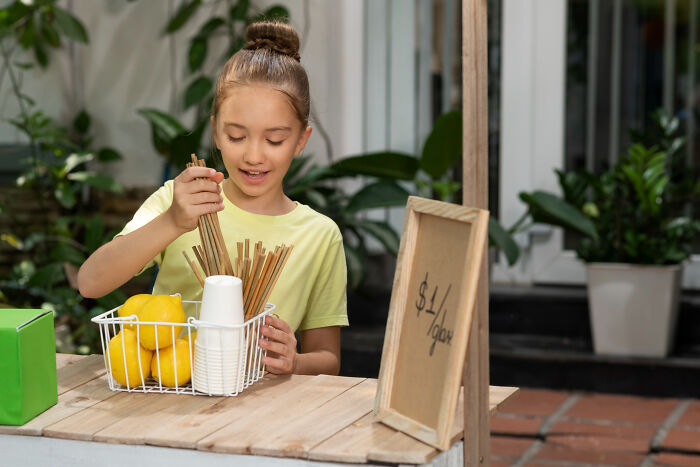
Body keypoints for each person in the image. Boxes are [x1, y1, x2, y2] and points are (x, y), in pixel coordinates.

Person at [78, 21, 348, 376]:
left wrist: (294, 361)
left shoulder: (319, 235)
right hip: (167, 400)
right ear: (216, 132)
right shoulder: (181, 202)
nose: (254, 155)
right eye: (236, 136)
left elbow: (327, 359)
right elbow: (91, 282)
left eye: (275, 140)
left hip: (259, 414)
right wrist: (172, 221)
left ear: (301, 140)